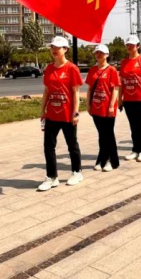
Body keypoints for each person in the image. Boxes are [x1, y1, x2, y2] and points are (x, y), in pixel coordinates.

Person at [38, 36, 84, 192]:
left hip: (67, 114)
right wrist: (42, 110)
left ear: (65, 49)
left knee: (72, 144)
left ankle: (77, 172)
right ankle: (51, 177)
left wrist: (76, 112)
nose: (54, 50)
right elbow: (46, 91)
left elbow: (76, 92)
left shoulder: (72, 68)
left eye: (58, 47)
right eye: (52, 47)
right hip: (52, 114)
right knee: (48, 146)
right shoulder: (49, 69)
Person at [86, 44, 121, 172]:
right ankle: (102, 159)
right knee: (101, 135)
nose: (99, 55)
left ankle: (113, 161)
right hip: (96, 107)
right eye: (97, 53)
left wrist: (111, 105)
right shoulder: (92, 70)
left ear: (107, 55)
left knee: (108, 134)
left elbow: (115, 89)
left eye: (101, 52)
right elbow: (90, 89)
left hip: (107, 108)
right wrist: (88, 104)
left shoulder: (111, 70)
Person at [119, 35, 141, 162]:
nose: (129, 47)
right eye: (128, 45)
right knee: (133, 125)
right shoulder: (124, 62)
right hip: (128, 100)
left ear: (137, 46)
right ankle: (136, 149)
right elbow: (121, 82)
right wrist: (120, 99)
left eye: (132, 45)